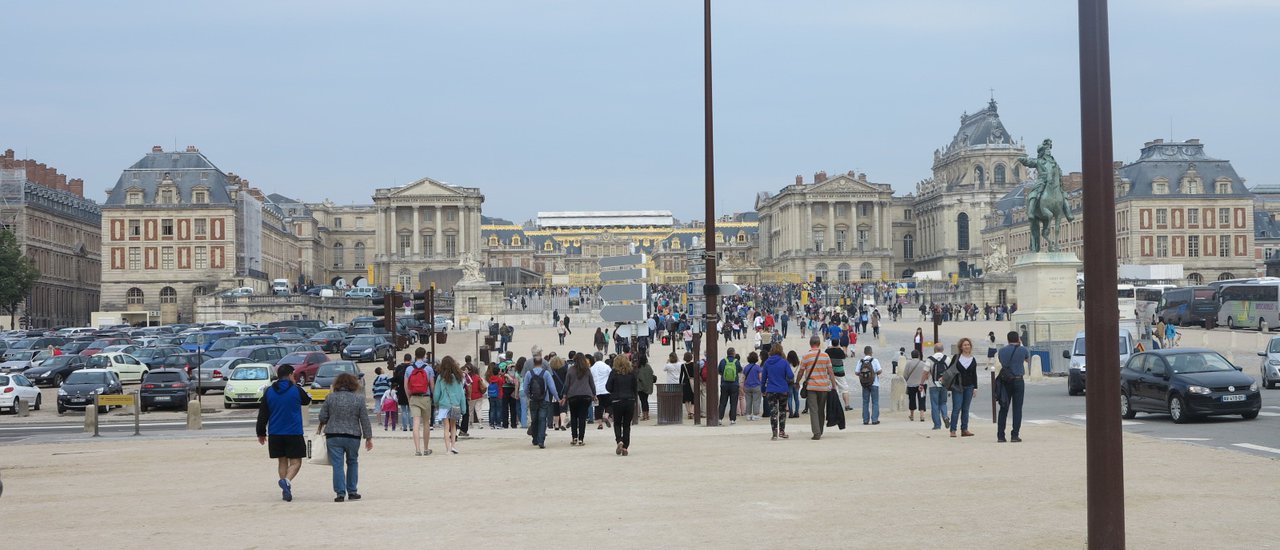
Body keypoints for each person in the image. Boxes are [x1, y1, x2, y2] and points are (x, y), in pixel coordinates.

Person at [255, 364, 312, 502]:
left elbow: (263, 414)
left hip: (275, 432)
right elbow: (306, 401)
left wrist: (261, 432)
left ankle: (285, 488)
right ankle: (286, 481)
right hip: (293, 432)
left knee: (282, 461)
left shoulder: (269, 391)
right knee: (296, 462)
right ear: (291, 375)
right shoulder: (296, 389)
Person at [317, 372, 373, 502]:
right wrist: (368, 437)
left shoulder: (330, 398)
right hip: (353, 435)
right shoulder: (359, 399)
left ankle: (340, 493)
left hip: (333, 435)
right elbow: (364, 420)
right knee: (352, 462)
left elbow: (322, 417)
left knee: (337, 465)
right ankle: (352, 491)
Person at [796, 336, 833, 440]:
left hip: (811, 387)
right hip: (823, 387)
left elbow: (801, 371)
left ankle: (816, 432)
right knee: (821, 410)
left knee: (813, 410)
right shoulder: (825, 355)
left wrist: (797, 382)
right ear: (819, 343)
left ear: (810, 343)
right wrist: (834, 385)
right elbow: (830, 372)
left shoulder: (806, 356)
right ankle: (820, 430)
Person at [996, 331, 1030, 443]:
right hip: (1018, 380)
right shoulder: (1023, 350)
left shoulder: (1002, 351)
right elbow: (1027, 359)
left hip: (1006, 380)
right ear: (1018, 339)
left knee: (1003, 408)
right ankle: (1015, 435)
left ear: (1008, 339)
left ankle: (1001, 435)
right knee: (1017, 408)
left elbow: (1001, 361)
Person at [522, 355, 559, 449]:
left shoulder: (529, 374)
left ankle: (535, 439)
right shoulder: (546, 373)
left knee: (534, 419)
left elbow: (525, 388)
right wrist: (557, 398)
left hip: (533, 399)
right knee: (542, 419)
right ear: (542, 363)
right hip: (544, 399)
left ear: (533, 363)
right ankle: (541, 440)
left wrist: (529, 396)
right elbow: (552, 387)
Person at [432, 356, 466, 454]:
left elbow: (437, 393)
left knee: (446, 427)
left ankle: (447, 449)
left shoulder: (440, 378)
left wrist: (436, 402)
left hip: (444, 405)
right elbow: (461, 394)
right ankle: (453, 446)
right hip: (455, 404)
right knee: (453, 426)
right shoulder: (458, 377)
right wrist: (463, 408)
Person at [405, 348, 436, 456]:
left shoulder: (409, 369)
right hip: (425, 397)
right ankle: (426, 448)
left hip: (414, 397)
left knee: (416, 423)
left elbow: (406, 386)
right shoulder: (428, 369)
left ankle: (417, 450)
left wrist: (409, 397)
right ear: (424, 356)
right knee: (426, 423)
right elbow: (432, 385)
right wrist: (434, 398)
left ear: (415, 355)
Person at [606, 354, 638, 456]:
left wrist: (614, 391)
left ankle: (619, 440)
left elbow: (608, 387)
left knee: (617, 423)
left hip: (617, 400)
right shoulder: (631, 373)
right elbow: (635, 387)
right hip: (629, 400)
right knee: (627, 425)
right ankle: (625, 447)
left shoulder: (614, 373)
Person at [563, 354, 598, 446]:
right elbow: (592, 383)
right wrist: (594, 394)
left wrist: (564, 395)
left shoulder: (571, 370)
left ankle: (574, 437)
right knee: (582, 417)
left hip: (573, 395)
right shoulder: (587, 370)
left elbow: (566, 384)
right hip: (586, 395)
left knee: (574, 417)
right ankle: (581, 439)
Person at [760, 344, 793, 440]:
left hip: (771, 390)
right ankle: (782, 431)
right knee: (782, 411)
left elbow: (763, 379)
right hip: (783, 389)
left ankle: (774, 434)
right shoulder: (784, 362)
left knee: (773, 412)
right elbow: (790, 375)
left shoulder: (767, 362)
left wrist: (763, 390)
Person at [948, 337, 979, 438]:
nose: (967, 346)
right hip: (957, 386)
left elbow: (974, 374)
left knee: (966, 409)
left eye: (968, 345)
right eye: (965, 345)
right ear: (961, 347)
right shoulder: (956, 357)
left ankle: (964, 429)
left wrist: (975, 387)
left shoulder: (973, 359)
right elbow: (950, 370)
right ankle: (953, 430)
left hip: (969, 386)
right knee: (956, 408)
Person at [855, 346, 883, 425]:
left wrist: (863, 375)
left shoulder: (861, 361)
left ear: (864, 352)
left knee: (865, 402)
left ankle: (865, 420)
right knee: (875, 402)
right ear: (871, 352)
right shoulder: (875, 360)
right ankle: (874, 419)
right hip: (874, 383)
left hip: (864, 384)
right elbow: (880, 371)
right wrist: (874, 373)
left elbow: (856, 372)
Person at [927, 343, 951, 430]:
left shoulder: (930, 359)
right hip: (944, 384)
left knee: (935, 404)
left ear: (934, 350)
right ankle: (945, 416)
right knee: (943, 403)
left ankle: (937, 425)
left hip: (933, 384)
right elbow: (951, 372)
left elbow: (925, 372)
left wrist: (922, 383)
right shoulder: (947, 359)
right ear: (943, 350)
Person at [902, 350, 927, 422]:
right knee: (922, 399)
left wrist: (908, 380)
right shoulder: (923, 363)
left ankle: (912, 415)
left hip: (911, 384)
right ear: (918, 355)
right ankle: (922, 415)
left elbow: (905, 374)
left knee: (912, 399)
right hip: (921, 384)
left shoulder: (908, 363)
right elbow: (926, 373)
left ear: (911, 355)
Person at [717, 347, 741, 425]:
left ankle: (719, 418)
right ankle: (732, 419)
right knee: (733, 403)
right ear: (733, 353)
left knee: (722, 402)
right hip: (734, 384)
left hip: (724, 384)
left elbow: (719, 371)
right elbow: (740, 370)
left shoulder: (723, 361)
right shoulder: (736, 361)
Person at [825, 340, 850, 411]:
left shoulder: (828, 351)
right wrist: (839, 348)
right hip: (840, 372)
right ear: (838, 344)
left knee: (831, 389)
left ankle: (831, 405)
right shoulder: (840, 351)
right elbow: (844, 356)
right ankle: (847, 405)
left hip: (830, 372)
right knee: (844, 389)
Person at [591, 352, 613, 430]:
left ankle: (600, 424)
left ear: (594, 358)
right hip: (606, 389)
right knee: (609, 404)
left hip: (596, 390)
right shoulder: (607, 367)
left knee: (598, 407)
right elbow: (611, 376)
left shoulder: (592, 368)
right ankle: (606, 415)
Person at [391, 354, 412, 432]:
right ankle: (411, 426)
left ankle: (404, 427)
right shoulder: (412, 367)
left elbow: (395, 379)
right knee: (410, 410)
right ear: (410, 359)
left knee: (403, 410)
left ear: (404, 359)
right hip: (411, 389)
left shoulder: (399, 367)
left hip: (401, 390)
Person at [742, 351, 764, 421]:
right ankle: (755, 415)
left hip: (747, 386)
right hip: (756, 386)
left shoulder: (746, 367)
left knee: (748, 401)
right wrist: (762, 385)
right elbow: (760, 377)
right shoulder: (758, 367)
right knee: (756, 400)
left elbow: (743, 378)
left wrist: (742, 386)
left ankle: (748, 415)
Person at [636, 357, 656, 422]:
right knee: (645, 401)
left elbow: (639, 377)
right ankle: (647, 415)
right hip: (647, 387)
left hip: (640, 387)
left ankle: (644, 415)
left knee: (643, 401)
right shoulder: (648, 367)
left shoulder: (639, 368)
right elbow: (651, 375)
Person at [486, 363, 505, 429]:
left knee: (492, 409)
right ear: (498, 372)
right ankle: (498, 423)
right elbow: (503, 383)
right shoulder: (499, 379)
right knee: (498, 409)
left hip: (491, 395)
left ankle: (491, 423)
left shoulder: (491, 378)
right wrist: (502, 375)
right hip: (498, 395)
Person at [679, 352, 697, 419]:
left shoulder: (683, 365)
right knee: (693, 397)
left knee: (686, 399)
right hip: (692, 382)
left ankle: (688, 412)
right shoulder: (693, 364)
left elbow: (681, 376)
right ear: (691, 357)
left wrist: (680, 383)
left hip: (685, 382)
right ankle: (692, 412)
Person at [786, 350, 802, 419]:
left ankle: (791, 413)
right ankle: (797, 412)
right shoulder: (798, 364)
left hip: (789, 382)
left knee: (789, 398)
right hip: (796, 383)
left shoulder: (787, 364)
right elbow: (800, 373)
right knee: (796, 398)